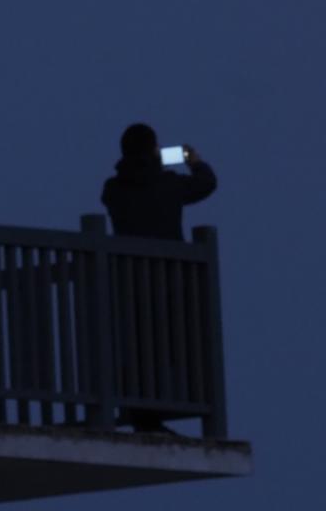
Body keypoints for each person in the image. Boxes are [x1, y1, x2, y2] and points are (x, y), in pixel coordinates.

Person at [101, 123, 217, 434]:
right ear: (154, 150)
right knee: (171, 345)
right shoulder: (168, 183)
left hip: (129, 280)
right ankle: (158, 411)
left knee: (137, 346)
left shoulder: (113, 189)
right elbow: (206, 183)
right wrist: (193, 160)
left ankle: (143, 414)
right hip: (169, 279)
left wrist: (147, 162)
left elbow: (127, 185)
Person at [101, 123, 217, 241]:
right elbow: (208, 181)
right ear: (153, 150)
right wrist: (195, 163)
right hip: (171, 258)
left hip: (127, 259)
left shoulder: (112, 188)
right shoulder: (171, 183)